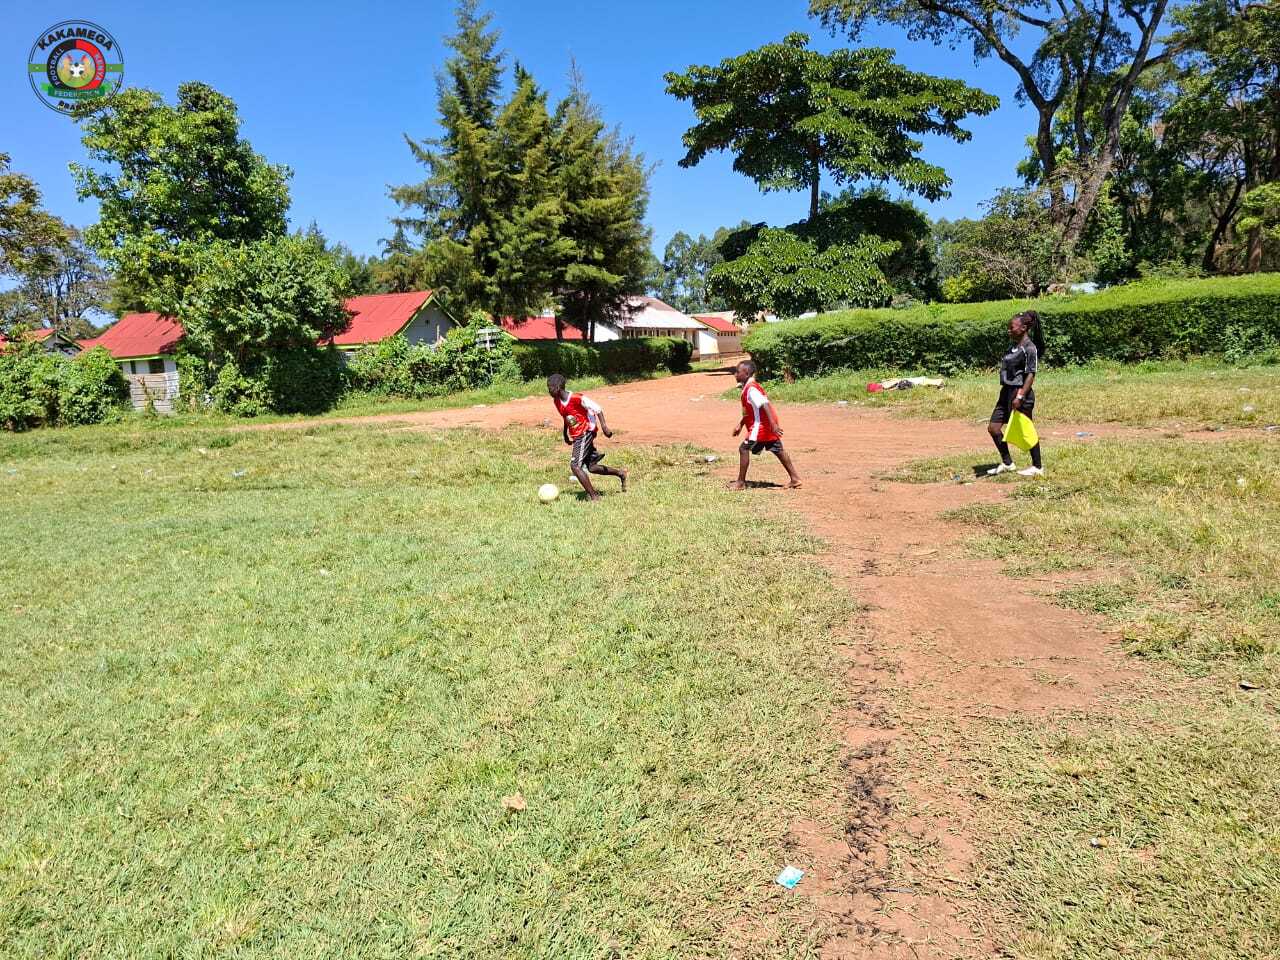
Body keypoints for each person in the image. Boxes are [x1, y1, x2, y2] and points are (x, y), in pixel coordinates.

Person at [546, 374, 628, 500]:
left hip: (585, 432)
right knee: (592, 467)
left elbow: (597, 409)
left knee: (575, 466)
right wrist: (565, 433)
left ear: (557, 387)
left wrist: (604, 427)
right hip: (576, 434)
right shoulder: (556, 401)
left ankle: (594, 496)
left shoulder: (577, 398)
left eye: (550, 387)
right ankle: (620, 473)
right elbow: (566, 416)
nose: (548, 390)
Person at [987, 310, 1045, 477]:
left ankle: (1037, 467)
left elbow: (1031, 374)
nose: (1009, 330)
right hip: (1006, 392)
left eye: (1012, 327)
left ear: (1023, 328)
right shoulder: (1012, 347)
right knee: (993, 428)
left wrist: (1020, 396)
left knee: (1026, 430)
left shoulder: (1030, 348)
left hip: (1020, 393)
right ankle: (1008, 463)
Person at [731, 359, 802, 490]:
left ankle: (740, 482)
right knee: (778, 450)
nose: (735, 374)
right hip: (767, 425)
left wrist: (773, 424)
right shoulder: (749, 387)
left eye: (737, 372)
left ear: (746, 373)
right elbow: (749, 411)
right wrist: (740, 424)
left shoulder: (751, 389)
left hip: (761, 426)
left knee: (743, 449)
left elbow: (764, 405)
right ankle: (795, 479)